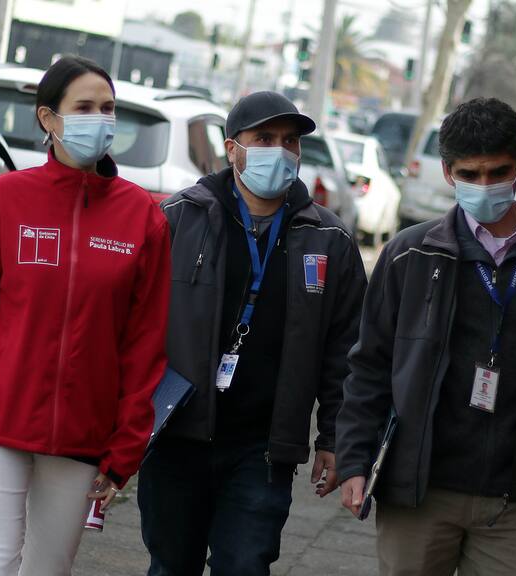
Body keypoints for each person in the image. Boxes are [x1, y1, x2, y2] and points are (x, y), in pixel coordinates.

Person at [0, 55, 171, 575]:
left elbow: (146, 344)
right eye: (85, 107)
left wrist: (127, 445)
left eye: (108, 108)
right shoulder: (4, 200)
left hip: (82, 432)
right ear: (49, 118)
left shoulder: (141, 217)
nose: (101, 119)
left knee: (49, 568)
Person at [336, 97, 516, 576]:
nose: (484, 186)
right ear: (447, 172)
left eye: (497, 172)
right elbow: (369, 366)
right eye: (469, 174)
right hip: (418, 492)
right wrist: (354, 460)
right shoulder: (408, 256)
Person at [138, 91, 367, 576]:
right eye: (264, 138)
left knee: (245, 565)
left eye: (290, 141)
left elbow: (345, 354)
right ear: (232, 148)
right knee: (170, 565)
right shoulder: (180, 218)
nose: (279, 150)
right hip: (178, 437)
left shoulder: (329, 240)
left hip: (262, 449)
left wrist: (334, 438)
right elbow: (137, 327)